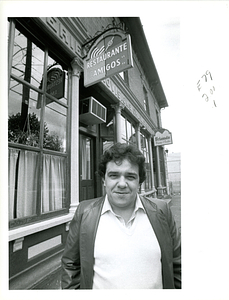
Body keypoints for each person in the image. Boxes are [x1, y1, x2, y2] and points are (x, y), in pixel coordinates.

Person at [61, 143, 181, 289]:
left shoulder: (161, 211)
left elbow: (178, 264)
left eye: (130, 176)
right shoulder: (85, 213)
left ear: (139, 182)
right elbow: (71, 266)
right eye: (114, 175)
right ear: (104, 180)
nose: (122, 184)